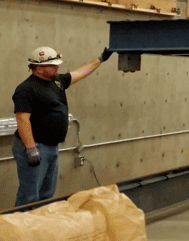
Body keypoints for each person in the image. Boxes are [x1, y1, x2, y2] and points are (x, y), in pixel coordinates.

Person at [12, 46, 113, 206]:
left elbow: (80, 73)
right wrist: (31, 148)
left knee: (47, 193)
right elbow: (22, 119)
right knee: (30, 195)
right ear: (39, 68)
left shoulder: (57, 82)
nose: (57, 67)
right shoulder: (26, 89)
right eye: (53, 65)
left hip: (51, 147)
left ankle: (43, 226)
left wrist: (100, 59)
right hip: (36, 147)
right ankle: (21, 228)